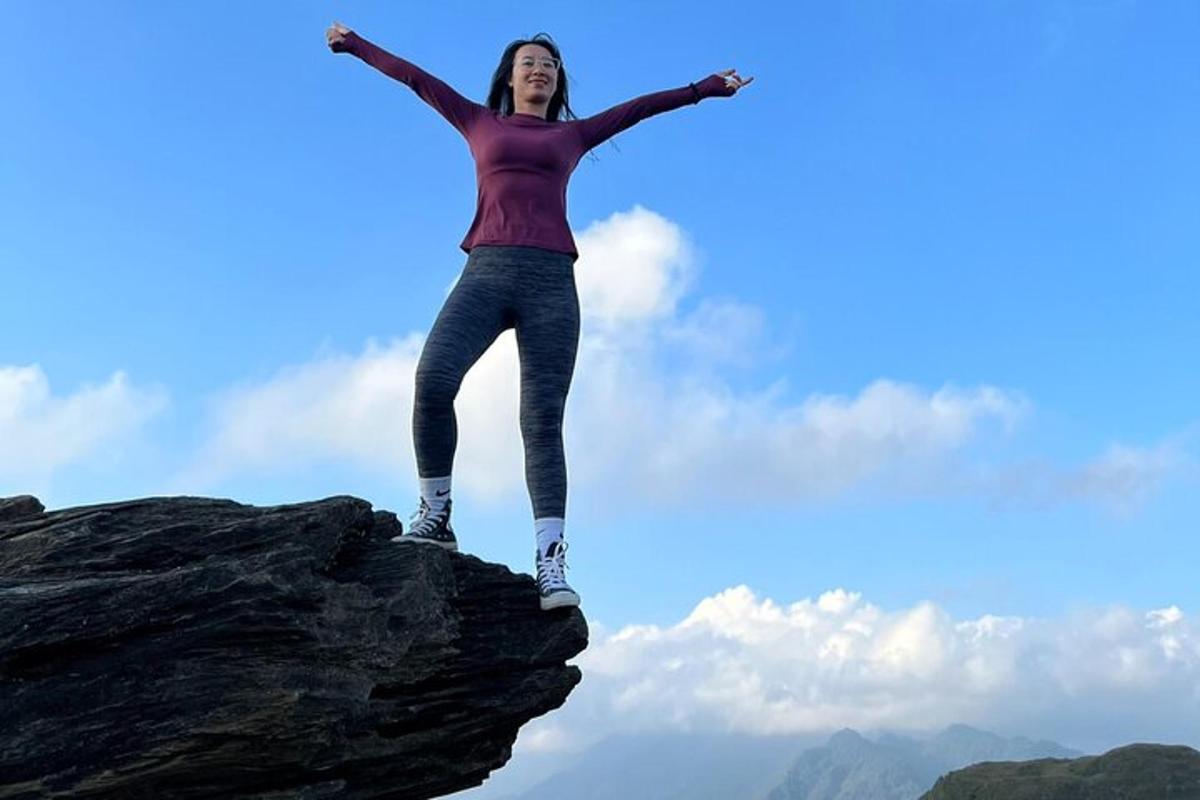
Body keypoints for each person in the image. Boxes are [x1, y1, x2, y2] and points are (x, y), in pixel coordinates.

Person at [326, 22, 752, 611]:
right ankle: (437, 513)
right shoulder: (479, 121)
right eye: (528, 62)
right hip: (486, 272)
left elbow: (638, 110)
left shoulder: (573, 135)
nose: (539, 70)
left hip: (551, 281)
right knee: (432, 381)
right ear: (510, 75)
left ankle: (551, 563)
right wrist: (355, 45)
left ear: (557, 82)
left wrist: (703, 88)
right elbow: (415, 80)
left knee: (541, 421)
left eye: (549, 65)